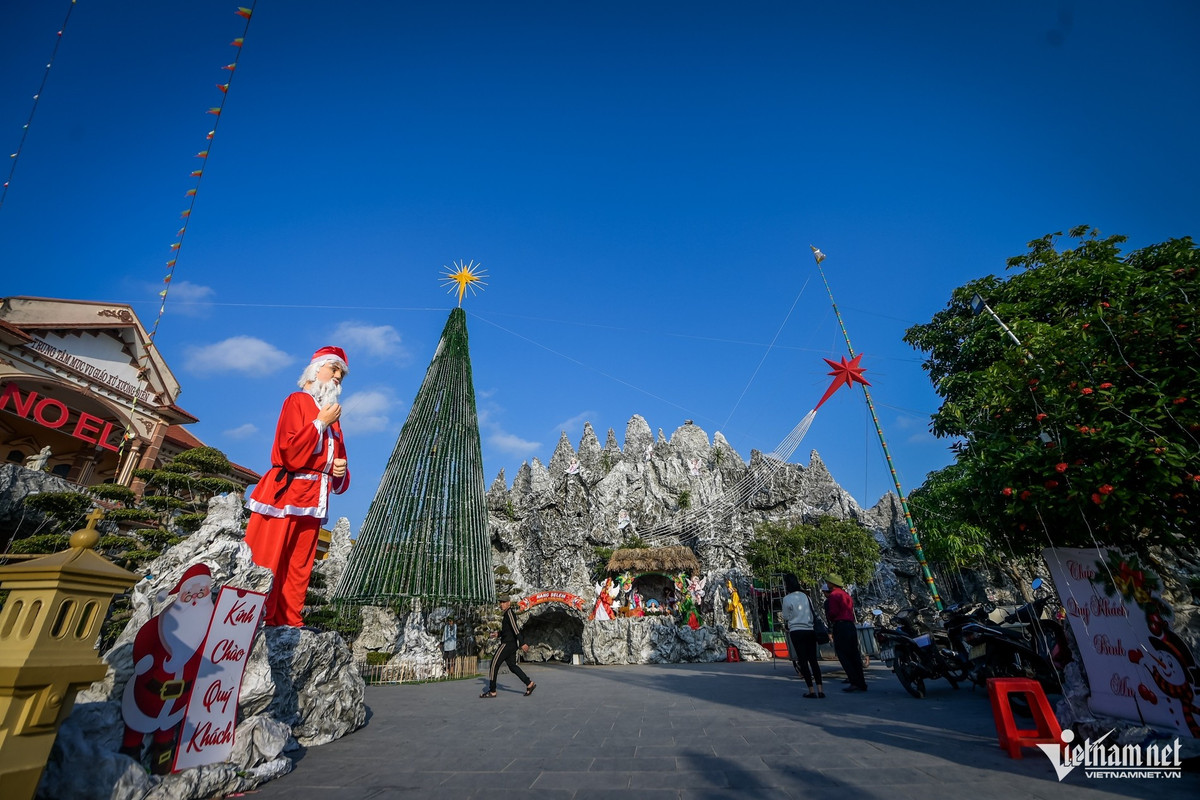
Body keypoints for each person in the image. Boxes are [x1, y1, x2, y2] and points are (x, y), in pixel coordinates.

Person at [244, 346, 350, 627]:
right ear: (315, 370)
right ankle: (254, 619)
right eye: (334, 368)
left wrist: (339, 470)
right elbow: (289, 453)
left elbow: (338, 468)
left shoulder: (333, 420)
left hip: (315, 499)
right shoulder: (298, 401)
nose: (338, 376)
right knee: (269, 557)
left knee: (299, 565)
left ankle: (290, 621)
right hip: (286, 494)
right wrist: (319, 423)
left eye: (342, 373)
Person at [120, 563, 214, 773]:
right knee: (135, 727)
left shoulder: (206, 626)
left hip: (181, 696)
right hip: (149, 691)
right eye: (191, 591)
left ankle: (161, 764)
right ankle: (127, 764)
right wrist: (143, 662)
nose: (196, 596)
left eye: (202, 591)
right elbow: (145, 638)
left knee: (166, 733)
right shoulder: (164, 621)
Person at [482, 596, 536, 698]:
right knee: (512, 666)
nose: (501, 604)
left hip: (507, 644)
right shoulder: (507, 614)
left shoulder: (509, 613)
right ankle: (529, 683)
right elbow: (509, 631)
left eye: (503, 602)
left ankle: (492, 691)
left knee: (494, 664)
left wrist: (522, 643)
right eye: (500, 602)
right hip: (511, 644)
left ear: (509, 603)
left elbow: (515, 629)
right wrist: (499, 634)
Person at [780, 573, 823, 698]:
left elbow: (785, 616)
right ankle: (820, 689)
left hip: (796, 631)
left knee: (803, 660)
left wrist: (792, 617)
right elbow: (812, 611)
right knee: (813, 661)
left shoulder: (787, 598)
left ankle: (811, 690)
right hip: (809, 630)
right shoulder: (806, 596)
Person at [823, 573, 867, 692]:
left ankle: (854, 681)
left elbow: (833, 613)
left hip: (840, 625)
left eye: (828, 582)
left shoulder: (834, 596)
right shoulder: (845, 595)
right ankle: (861, 682)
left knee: (843, 654)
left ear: (832, 583)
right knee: (854, 654)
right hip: (850, 625)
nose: (827, 584)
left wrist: (830, 619)